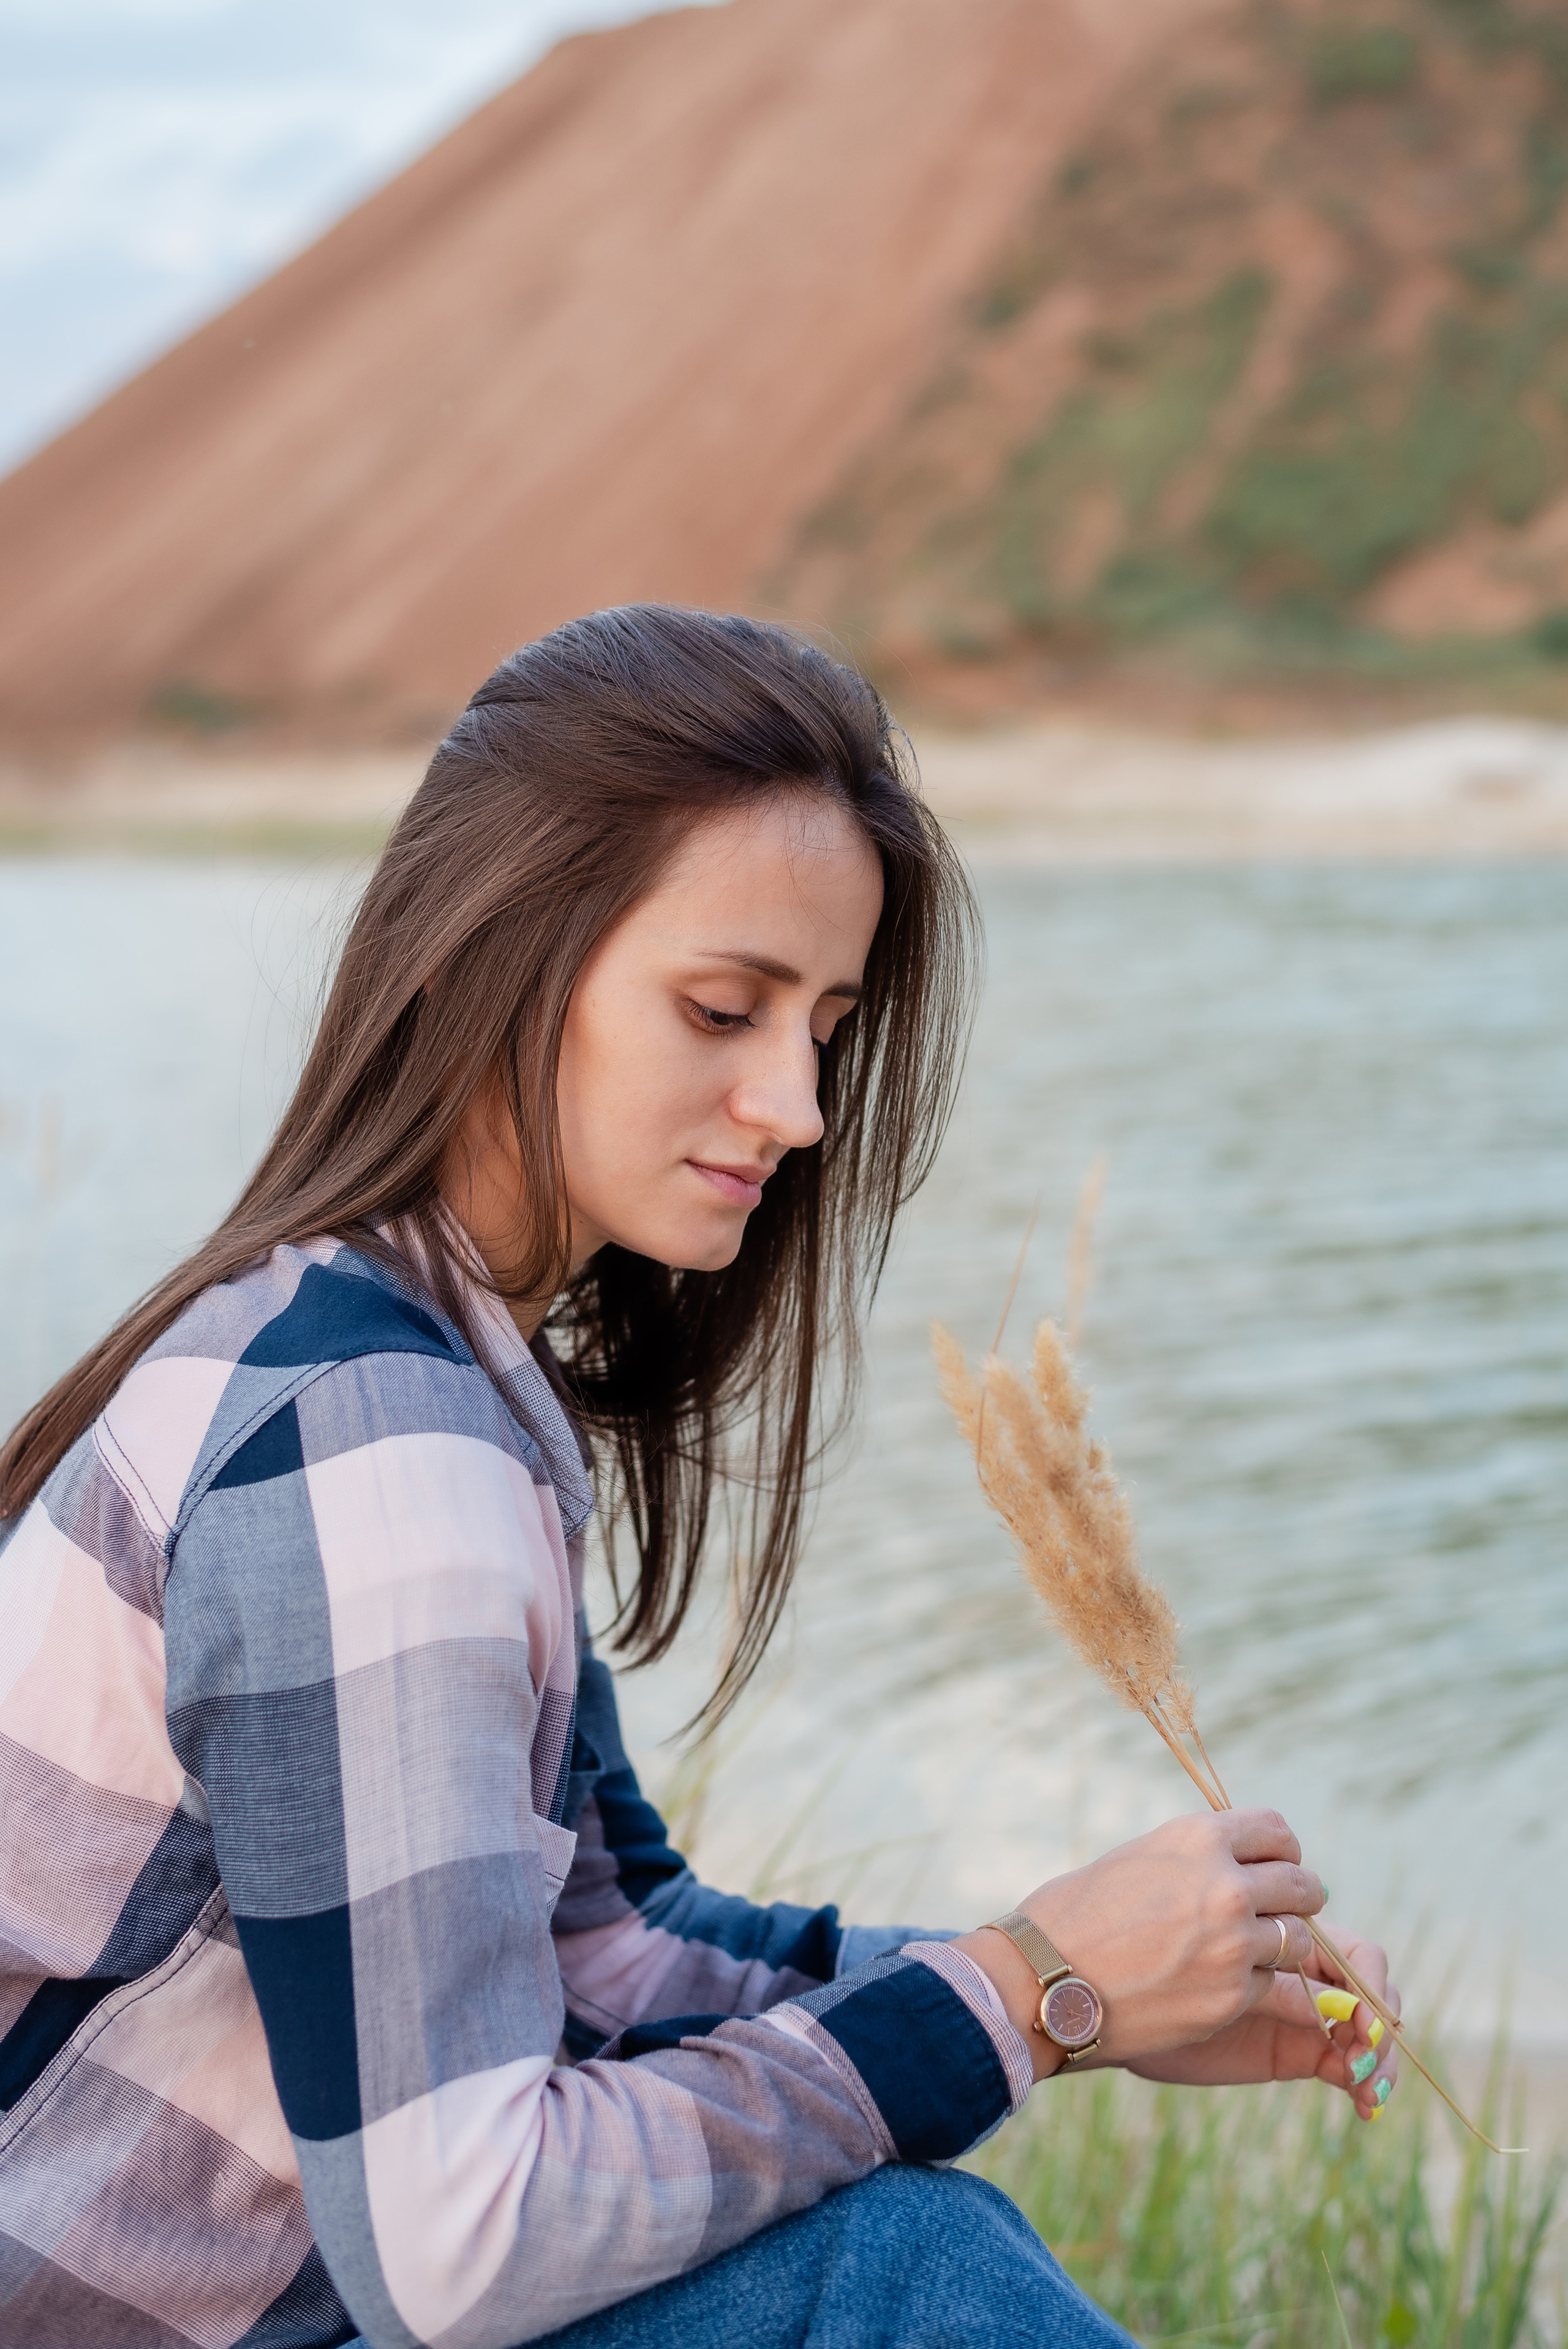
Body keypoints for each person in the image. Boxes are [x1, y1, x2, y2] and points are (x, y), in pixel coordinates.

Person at [0, 607, 1396, 2349]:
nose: (799, 1103)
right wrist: (1026, 1991)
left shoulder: (407, 1371)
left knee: (895, 2240)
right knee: (899, 2272)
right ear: (500, 949)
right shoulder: (370, 1461)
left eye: (823, 1024)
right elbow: (465, 2243)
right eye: (723, 1008)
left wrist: (1094, 1989)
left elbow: (604, 1950)